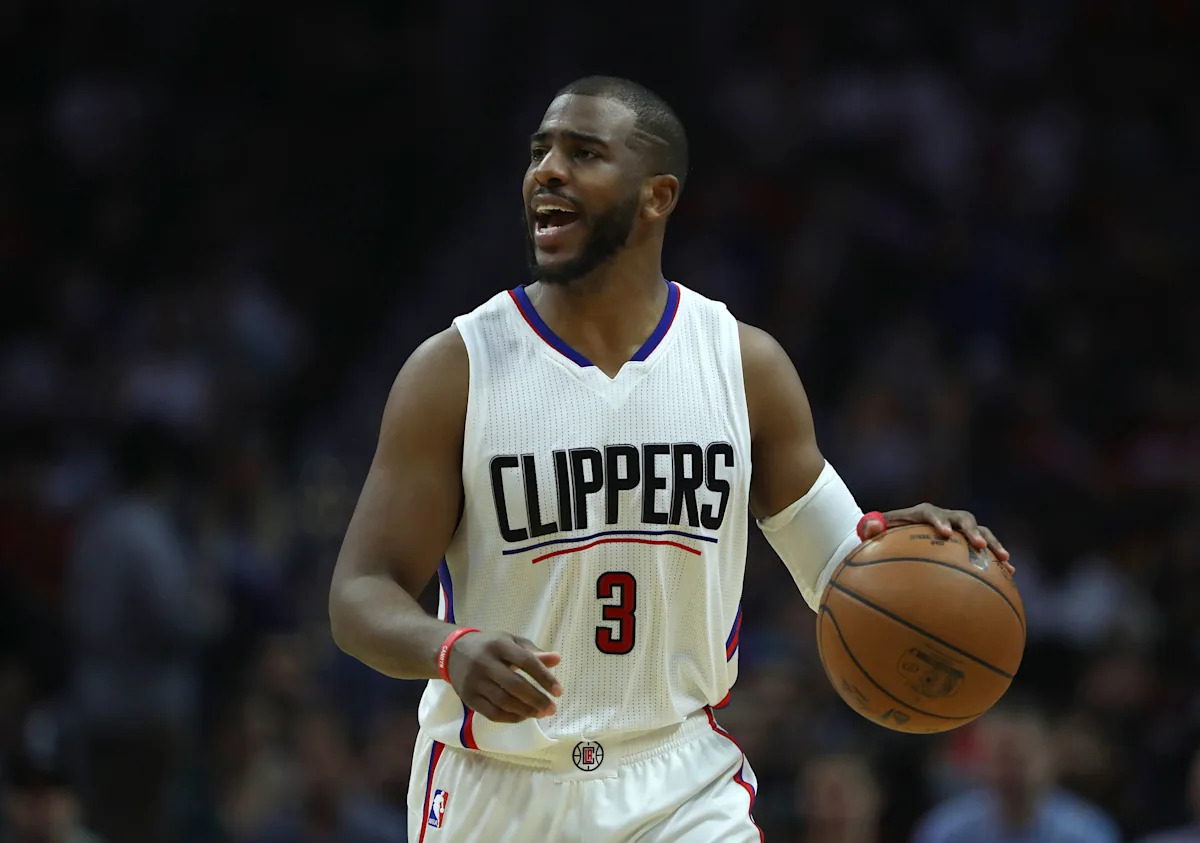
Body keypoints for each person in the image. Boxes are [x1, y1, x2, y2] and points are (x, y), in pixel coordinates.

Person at [328, 75, 1012, 843]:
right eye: (540, 152)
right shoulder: (454, 370)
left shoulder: (743, 367)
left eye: (583, 153)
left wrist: (904, 553)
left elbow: (840, 569)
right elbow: (360, 591)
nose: (547, 171)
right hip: (498, 787)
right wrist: (447, 647)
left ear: (657, 195)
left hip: (678, 785)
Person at [911, 704, 1120, 843]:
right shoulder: (946, 830)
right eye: (1002, 759)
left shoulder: (1084, 832)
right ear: (980, 762)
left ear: (1049, 757)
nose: (1011, 773)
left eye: (1021, 759)